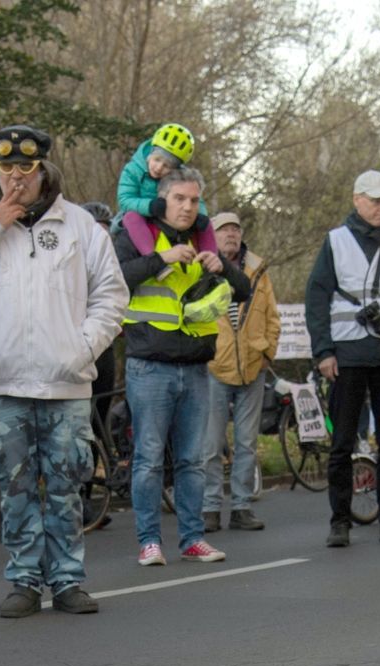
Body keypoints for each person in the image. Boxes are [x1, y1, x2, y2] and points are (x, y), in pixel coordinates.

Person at [0, 124, 126, 615]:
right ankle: (23, 580)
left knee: (65, 485)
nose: (17, 178)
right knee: (13, 487)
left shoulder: (80, 226)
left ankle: (66, 580)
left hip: (66, 382)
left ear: (43, 170)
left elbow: (111, 294)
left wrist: (82, 348)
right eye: (6, 169)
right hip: (3, 382)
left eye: (27, 168)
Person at [112, 164, 249, 565]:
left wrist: (224, 266)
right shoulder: (134, 235)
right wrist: (160, 258)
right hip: (148, 366)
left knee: (193, 459)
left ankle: (192, 538)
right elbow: (116, 279)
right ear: (162, 199)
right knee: (149, 458)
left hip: (195, 366)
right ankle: (149, 541)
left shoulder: (204, 239)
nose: (187, 208)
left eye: (193, 200)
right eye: (179, 199)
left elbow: (245, 291)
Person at [306, 170, 380, 546]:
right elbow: (317, 297)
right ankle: (340, 521)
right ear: (357, 200)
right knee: (342, 442)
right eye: (375, 200)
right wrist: (323, 351)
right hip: (347, 353)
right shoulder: (335, 241)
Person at [203, 210, 279, 534]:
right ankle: (209, 507)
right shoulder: (203, 267)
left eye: (235, 229)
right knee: (210, 443)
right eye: (223, 230)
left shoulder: (257, 269)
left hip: (252, 366)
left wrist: (266, 353)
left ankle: (241, 507)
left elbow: (273, 317)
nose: (231, 234)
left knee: (247, 442)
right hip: (214, 365)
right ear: (213, 235)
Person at [114, 122, 216, 254]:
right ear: (150, 154)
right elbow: (124, 200)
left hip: (165, 216)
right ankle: (151, 256)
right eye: (157, 160)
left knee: (204, 223)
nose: (159, 168)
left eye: (166, 166)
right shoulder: (132, 170)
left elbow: (195, 197)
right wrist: (149, 206)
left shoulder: (179, 176)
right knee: (132, 217)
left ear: (175, 169)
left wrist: (201, 214)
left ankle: (211, 261)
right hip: (138, 212)